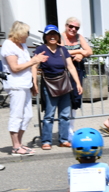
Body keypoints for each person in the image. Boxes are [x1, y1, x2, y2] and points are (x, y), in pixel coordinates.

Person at [1, 21, 48, 156]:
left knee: (27, 116)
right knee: (17, 116)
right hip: (15, 85)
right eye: (25, 33)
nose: (27, 36)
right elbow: (15, 68)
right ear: (19, 33)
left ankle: (19, 144)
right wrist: (34, 60)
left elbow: (29, 65)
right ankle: (15, 147)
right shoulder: (8, 45)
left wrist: (33, 83)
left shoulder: (21, 45)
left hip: (25, 84)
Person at [34, 25, 84, 149]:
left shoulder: (63, 50)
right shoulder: (41, 49)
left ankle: (63, 140)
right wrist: (34, 83)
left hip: (65, 84)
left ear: (58, 36)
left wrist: (77, 83)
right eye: (49, 34)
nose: (52, 37)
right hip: (49, 84)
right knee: (49, 115)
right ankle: (46, 141)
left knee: (65, 114)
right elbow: (34, 66)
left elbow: (71, 67)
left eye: (55, 34)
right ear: (45, 37)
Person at [61, 17, 92, 112]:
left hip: (78, 70)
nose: (73, 29)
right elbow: (62, 51)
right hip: (64, 71)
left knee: (76, 97)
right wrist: (80, 51)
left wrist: (81, 56)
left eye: (76, 28)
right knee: (65, 97)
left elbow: (90, 51)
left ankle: (71, 124)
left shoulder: (79, 37)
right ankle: (65, 122)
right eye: (71, 26)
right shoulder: (60, 36)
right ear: (66, 26)